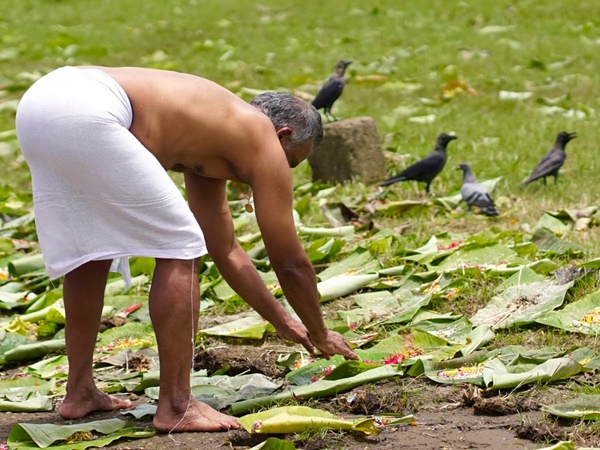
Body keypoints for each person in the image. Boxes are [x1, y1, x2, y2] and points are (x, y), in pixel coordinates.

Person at [15, 66, 359, 433]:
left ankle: (79, 391)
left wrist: (284, 321)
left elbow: (224, 248)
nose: (281, 171)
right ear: (283, 134)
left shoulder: (211, 134)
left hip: (41, 102)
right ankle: (178, 406)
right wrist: (320, 333)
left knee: (93, 253)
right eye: (290, 161)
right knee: (179, 245)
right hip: (89, 107)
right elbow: (290, 262)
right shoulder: (260, 135)